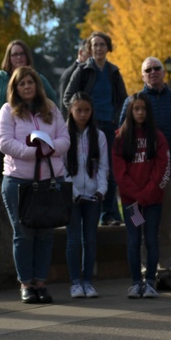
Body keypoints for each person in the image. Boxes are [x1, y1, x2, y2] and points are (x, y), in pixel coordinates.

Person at [0, 66, 70, 304]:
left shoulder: (51, 109)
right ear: (15, 89)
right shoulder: (8, 111)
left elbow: (65, 139)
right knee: (24, 234)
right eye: (21, 84)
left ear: (37, 85)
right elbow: (4, 142)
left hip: (50, 180)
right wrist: (33, 152)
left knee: (46, 233)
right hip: (19, 182)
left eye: (30, 82)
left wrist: (48, 149)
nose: (27, 87)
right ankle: (26, 283)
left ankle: (41, 282)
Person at [118, 56, 171, 292]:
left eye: (156, 68)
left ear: (164, 72)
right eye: (147, 70)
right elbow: (121, 138)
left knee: (164, 227)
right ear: (142, 75)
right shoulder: (132, 102)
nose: (153, 72)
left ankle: (164, 272)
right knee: (141, 229)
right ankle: (144, 273)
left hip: (169, 175)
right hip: (138, 176)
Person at [64, 32, 127, 226]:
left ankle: (110, 214)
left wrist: (117, 119)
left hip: (109, 126)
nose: (98, 48)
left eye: (102, 45)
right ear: (90, 49)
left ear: (108, 48)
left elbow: (124, 101)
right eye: (95, 45)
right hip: (87, 127)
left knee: (109, 169)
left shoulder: (114, 73)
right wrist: (80, 116)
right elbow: (68, 97)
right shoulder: (83, 71)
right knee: (86, 167)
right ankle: (86, 208)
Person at [113, 92, 170, 299]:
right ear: (130, 111)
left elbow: (161, 167)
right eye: (136, 108)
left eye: (143, 109)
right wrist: (136, 195)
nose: (140, 112)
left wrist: (146, 194)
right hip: (131, 203)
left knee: (152, 240)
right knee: (134, 241)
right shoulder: (120, 138)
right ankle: (136, 282)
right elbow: (120, 173)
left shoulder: (158, 137)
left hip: (153, 200)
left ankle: (151, 282)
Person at [0, 40, 59, 181]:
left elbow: (52, 101)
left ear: (27, 56)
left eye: (22, 54)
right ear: (8, 58)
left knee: (34, 178)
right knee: (3, 177)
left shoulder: (38, 79)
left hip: (32, 140)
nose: (19, 57)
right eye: (14, 54)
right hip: (3, 139)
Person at [62, 92, 108, 299]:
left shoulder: (98, 135)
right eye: (78, 110)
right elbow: (60, 167)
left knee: (90, 239)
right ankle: (75, 282)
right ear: (71, 110)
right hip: (72, 197)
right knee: (73, 240)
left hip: (92, 196)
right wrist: (73, 191)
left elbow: (103, 166)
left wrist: (101, 189)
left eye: (86, 110)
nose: (82, 114)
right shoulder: (63, 134)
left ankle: (88, 281)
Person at [58, 40, 90, 111]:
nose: (93, 57)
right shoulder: (69, 74)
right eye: (90, 54)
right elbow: (64, 104)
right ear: (81, 52)